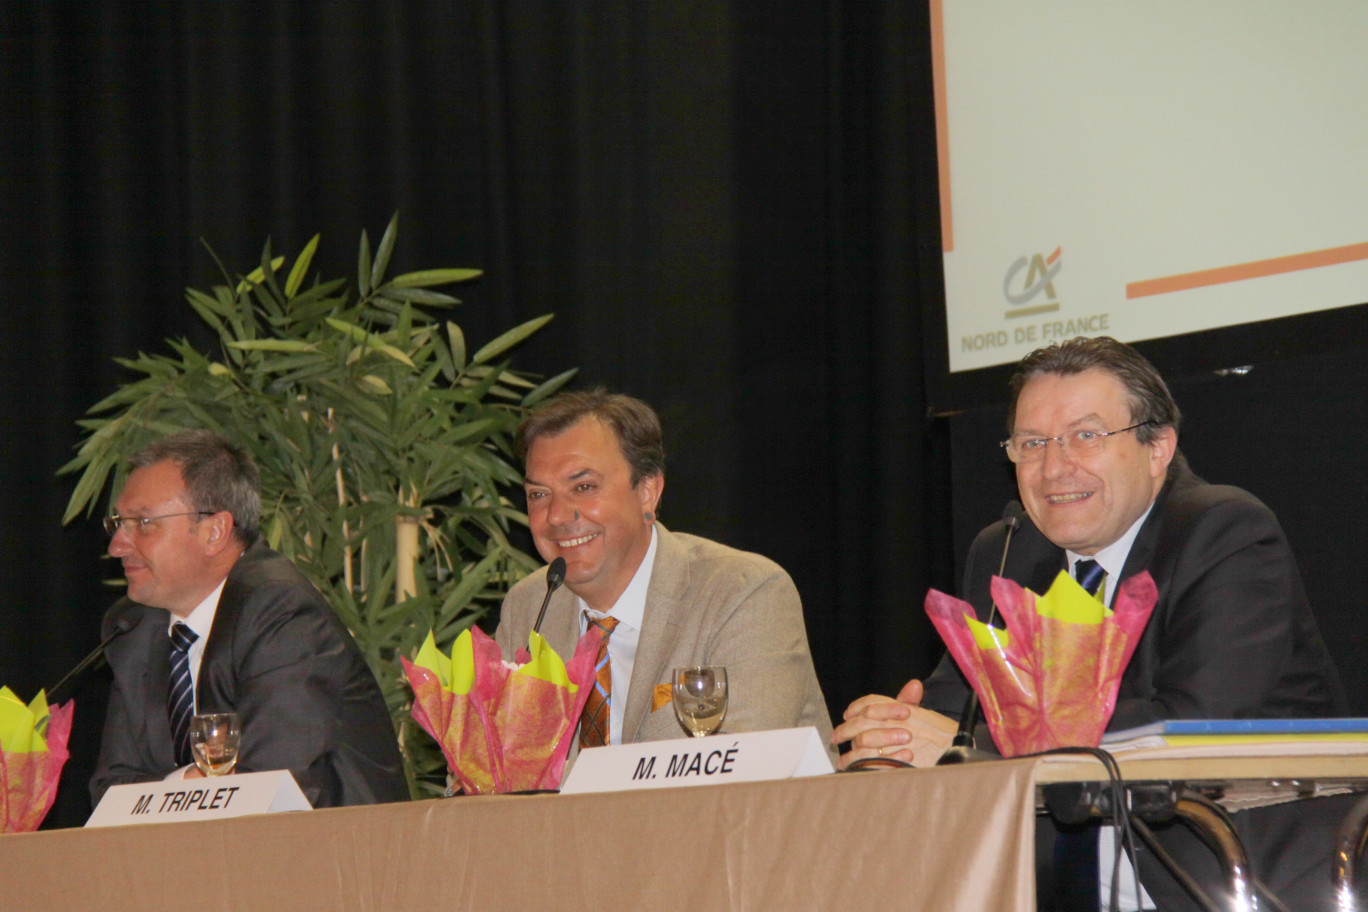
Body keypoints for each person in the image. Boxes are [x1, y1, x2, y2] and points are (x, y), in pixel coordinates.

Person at [832, 336, 1348, 910]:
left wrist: (969, 750)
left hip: (1232, 880)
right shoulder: (1007, 550)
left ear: (1157, 450)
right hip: (1066, 884)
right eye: (1032, 443)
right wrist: (898, 728)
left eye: (1086, 435)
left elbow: (1187, 728)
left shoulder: (1223, 533)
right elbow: (962, 703)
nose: (1055, 467)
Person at [494, 389, 834, 756]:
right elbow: (485, 768)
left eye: (584, 487)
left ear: (647, 492)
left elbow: (743, 771)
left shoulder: (743, 593)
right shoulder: (529, 608)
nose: (557, 516)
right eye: (538, 495)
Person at [90, 430, 408, 809]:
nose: (117, 546)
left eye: (142, 524)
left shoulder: (282, 614)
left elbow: (271, 790)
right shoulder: (136, 627)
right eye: (119, 524)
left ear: (215, 531)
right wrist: (192, 782)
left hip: (332, 859)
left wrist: (166, 793)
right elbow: (109, 792)